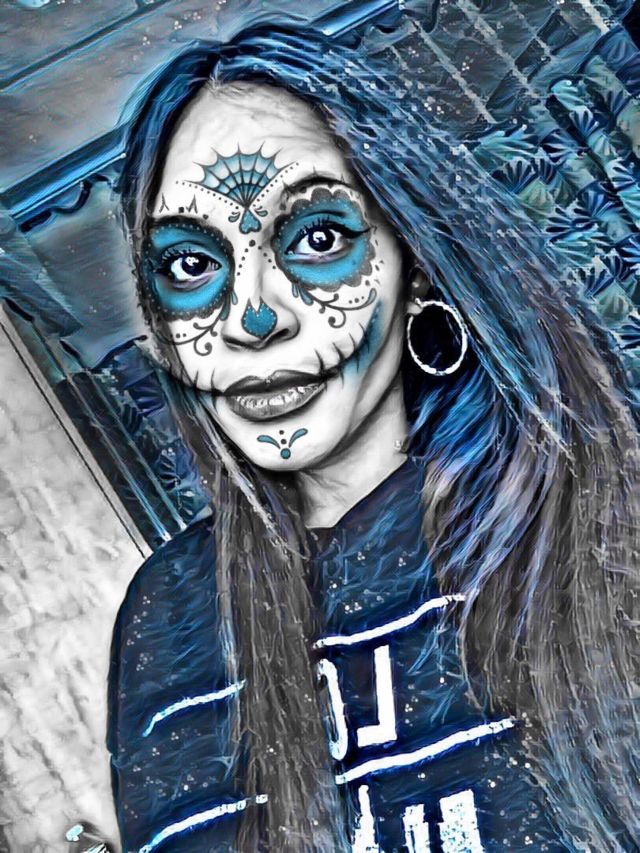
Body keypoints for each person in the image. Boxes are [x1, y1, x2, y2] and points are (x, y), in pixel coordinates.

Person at [108, 16, 640, 853]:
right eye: (192, 265)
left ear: (415, 260)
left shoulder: (595, 517)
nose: (252, 317)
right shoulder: (169, 614)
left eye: (317, 238)